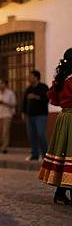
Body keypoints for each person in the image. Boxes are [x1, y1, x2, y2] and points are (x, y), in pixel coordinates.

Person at [38, 48, 72, 204]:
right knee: (69, 154)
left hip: (63, 117)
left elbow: (53, 98)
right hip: (71, 118)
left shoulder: (61, 79)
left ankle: (60, 192)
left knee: (64, 155)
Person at [23, 70, 49, 161]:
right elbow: (24, 102)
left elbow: (47, 99)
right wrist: (24, 112)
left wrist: (35, 97)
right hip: (30, 116)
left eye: (30, 76)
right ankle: (34, 154)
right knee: (32, 135)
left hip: (41, 115)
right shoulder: (28, 89)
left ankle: (45, 155)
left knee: (41, 134)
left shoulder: (43, 87)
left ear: (36, 77)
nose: (28, 78)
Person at [0, 79, 16, 154]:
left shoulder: (10, 93)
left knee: (5, 132)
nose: (0, 85)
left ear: (6, 84)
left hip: (7, 115)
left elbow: (13, 104)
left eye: (2, 83)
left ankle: (4, 147)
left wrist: (5, 103)